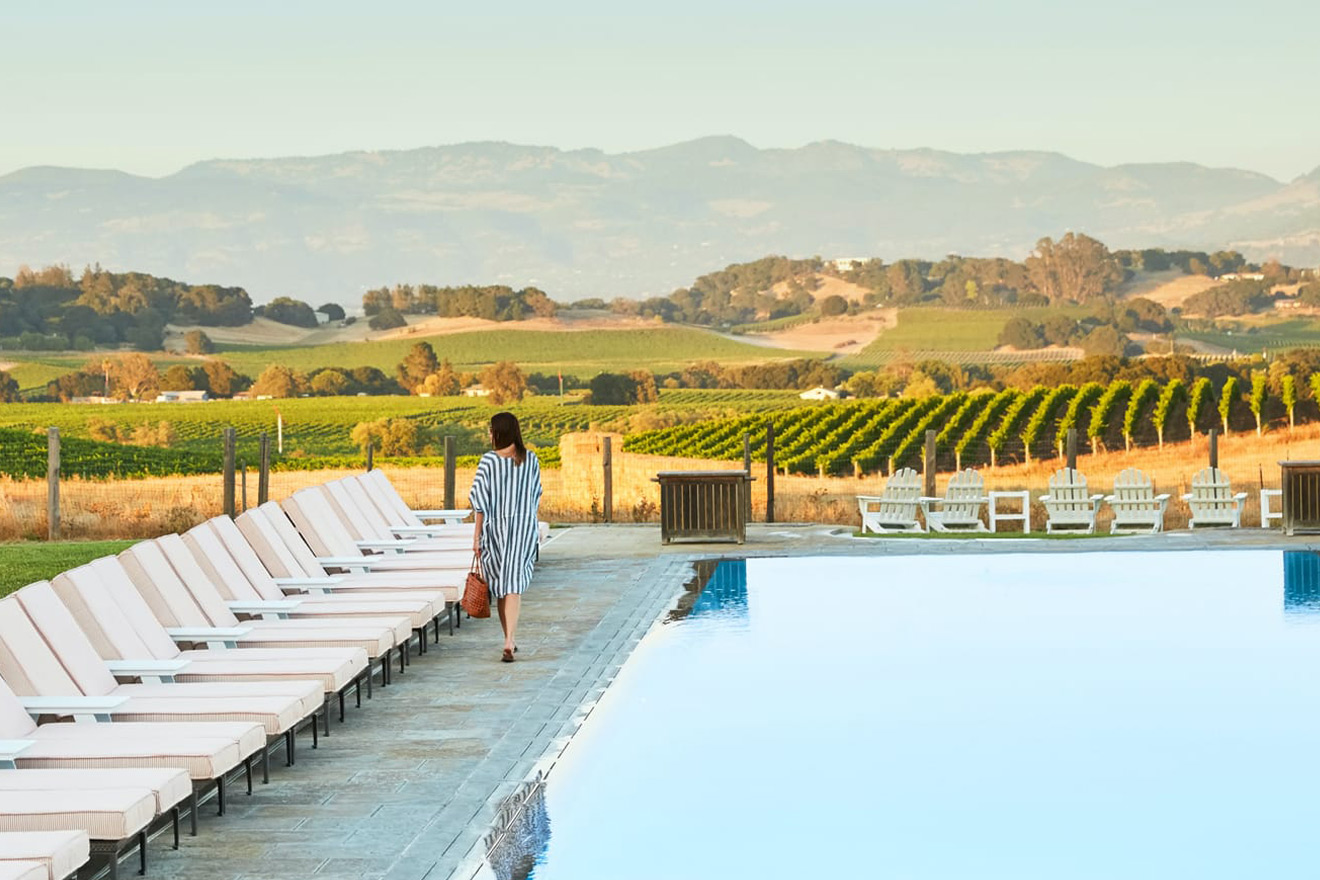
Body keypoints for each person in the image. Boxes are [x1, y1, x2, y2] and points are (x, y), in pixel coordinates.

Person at [469, 411, 543, 662]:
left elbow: (479, 502)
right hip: (523, 528)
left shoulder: (488, 462)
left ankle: (509, 639)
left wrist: (476, 536)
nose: (489, 433)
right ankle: (509, 638)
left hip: (496, 528)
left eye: (491, 429)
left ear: (498, 432)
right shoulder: (530, 459)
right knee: (512, 585)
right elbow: (536, 495)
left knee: (502, 584)